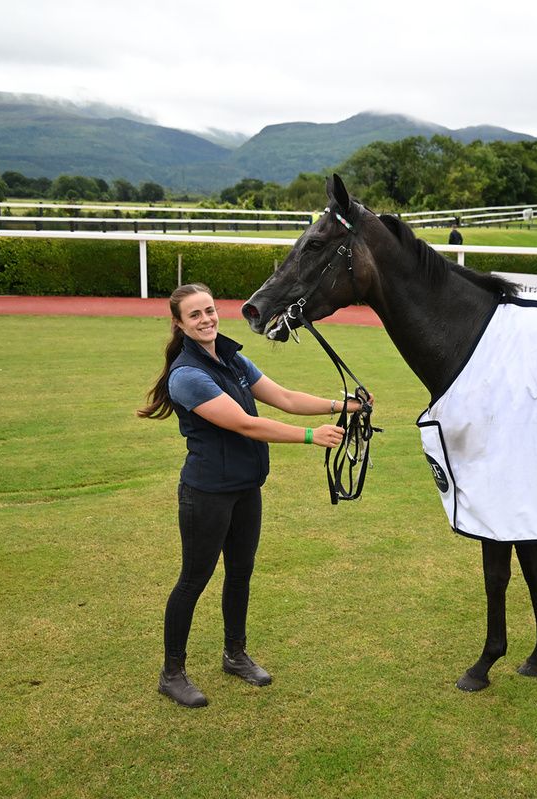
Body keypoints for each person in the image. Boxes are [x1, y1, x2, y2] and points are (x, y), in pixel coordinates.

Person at [137, 283, 366, 708]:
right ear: (179, 324)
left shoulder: (232, 358)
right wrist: (311, 436)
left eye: (209, 310)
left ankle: (235, 654)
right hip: (207, 493)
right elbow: (245, 424)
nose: (206, 319)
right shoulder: (187, 376)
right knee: (193, 580)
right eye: (195, 315)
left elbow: (284, 398)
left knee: (240, 572)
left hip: (245, 488)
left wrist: (343, 405)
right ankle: (172, 673)